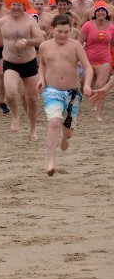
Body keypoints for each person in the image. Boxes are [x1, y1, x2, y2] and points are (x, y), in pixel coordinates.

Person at [0, 0, 45, 139]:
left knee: (31, 99)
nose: (16, 7)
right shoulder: (2, 22)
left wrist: (26, 42)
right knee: (11, 93)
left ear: (24, 5)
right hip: (10, 62)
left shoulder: (30, 20)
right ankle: (16, 117)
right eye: (13, 4)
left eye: (19, 4)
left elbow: (41, 39)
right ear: (9, 5)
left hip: (29, 63)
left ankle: (33, 128)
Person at [38, 14, 93, 176]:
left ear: (71, 31)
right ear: (51, 30)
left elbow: (88, 68)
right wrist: (41, 79)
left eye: (66, 32)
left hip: (72, 92)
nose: (62, 35)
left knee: (68, 132)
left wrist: (88, 85)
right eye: (59, 31)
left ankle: (64, 137)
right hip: (51, 90)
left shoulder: (76, 46)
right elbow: (42, 63)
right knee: (54, 122)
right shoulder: (45, 46)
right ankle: (50, 163)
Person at [80, 1, 113, 119]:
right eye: (98, 11)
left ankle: (98, 114)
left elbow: (113, 45)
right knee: (86, 84)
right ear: (95, 13)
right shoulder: (87, 25)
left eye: (103, 10)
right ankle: (92, 101)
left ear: (106, 13)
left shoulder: (111, 27)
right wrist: (79, 59)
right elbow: (79, 43)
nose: (100, 13)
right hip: (88, 60)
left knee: (101, 85)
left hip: (104, 60)